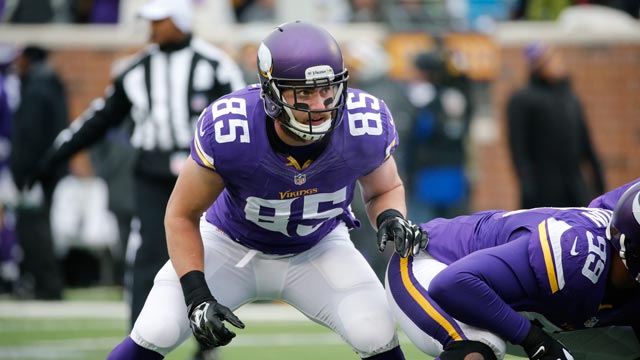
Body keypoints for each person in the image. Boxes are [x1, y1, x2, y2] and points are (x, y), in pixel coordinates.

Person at [106, 21, 427, 360]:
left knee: (375, 331)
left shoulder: (364, 123)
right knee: (158, 329)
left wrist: (391, 216)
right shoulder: (233, 129)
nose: (319, 104)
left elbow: (385, 188)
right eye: (304, 92)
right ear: (272, 91)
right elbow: (181, 215)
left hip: (319, 247)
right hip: (229, 246)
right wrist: (197, 295)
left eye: (327, 89)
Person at [25, 0, 245, 330]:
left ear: (181, 21)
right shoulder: (136, 69)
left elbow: (242, 118)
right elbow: (98, 118)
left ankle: (206, 337)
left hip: (202, 173)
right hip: (152, 173)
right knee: (146, 254)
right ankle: (140, 334)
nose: (152, 29)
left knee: (208, 251)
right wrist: (54, 157)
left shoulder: (215, 64)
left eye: (160, 21)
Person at [386, 177, 640, 360]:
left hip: (533, 303)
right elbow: (452, 284)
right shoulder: (576, 257)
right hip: (433, 262)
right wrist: (535, 342)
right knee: (479, 348)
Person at [507, 42, 605, 209]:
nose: (557, 64)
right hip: (543, 190)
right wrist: (528, 188)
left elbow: (585, 144)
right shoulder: (522, 100)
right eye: (549, 60)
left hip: (575, 187)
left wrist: (599, 181)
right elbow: (519, 149)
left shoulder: (569, 98)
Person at [9, 45, 69, 300]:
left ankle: (47, 284)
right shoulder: (51, 84)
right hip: (49, 168)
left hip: (37, 172)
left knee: (34, 228)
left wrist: (24, 172)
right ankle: (46, 282)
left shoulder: (36, 89)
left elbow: (30, 137)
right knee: (38, 225)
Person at [405, 49, 473, 221]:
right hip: (455, 168)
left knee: (425, 234)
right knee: (456, 231)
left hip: (429, 172)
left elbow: (421, 132)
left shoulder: (426, 97)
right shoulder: (459, 93)